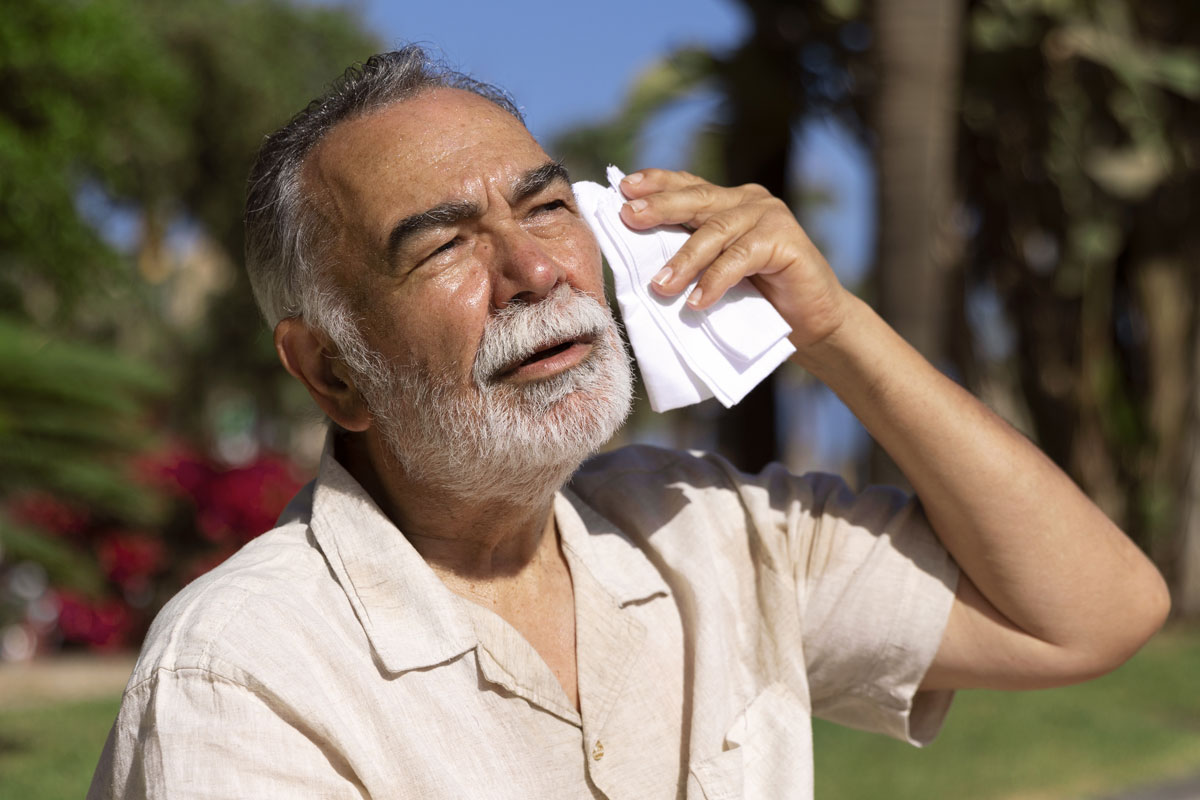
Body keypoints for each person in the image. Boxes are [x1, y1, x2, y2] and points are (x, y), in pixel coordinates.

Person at [89, 47, 1169, 799]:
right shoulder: (247, 667)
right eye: (443, 245)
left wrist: (833, 326)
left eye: (547, 205)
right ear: (332, 370)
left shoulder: (708, 528)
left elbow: (1089, 613)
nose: (533, 269)